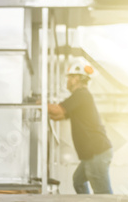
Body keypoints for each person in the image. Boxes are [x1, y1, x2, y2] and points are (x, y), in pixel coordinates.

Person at [48, 63, 113, 194]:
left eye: (69, 77)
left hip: (96, 152)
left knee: (104, 195)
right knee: (78, 180)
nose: (67, 81)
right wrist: (44, 110)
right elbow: (58, 115)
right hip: (92, 153)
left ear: (76, 78)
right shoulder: (80, 97)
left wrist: (41, 103)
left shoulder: (81, 94)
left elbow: (57, 109)